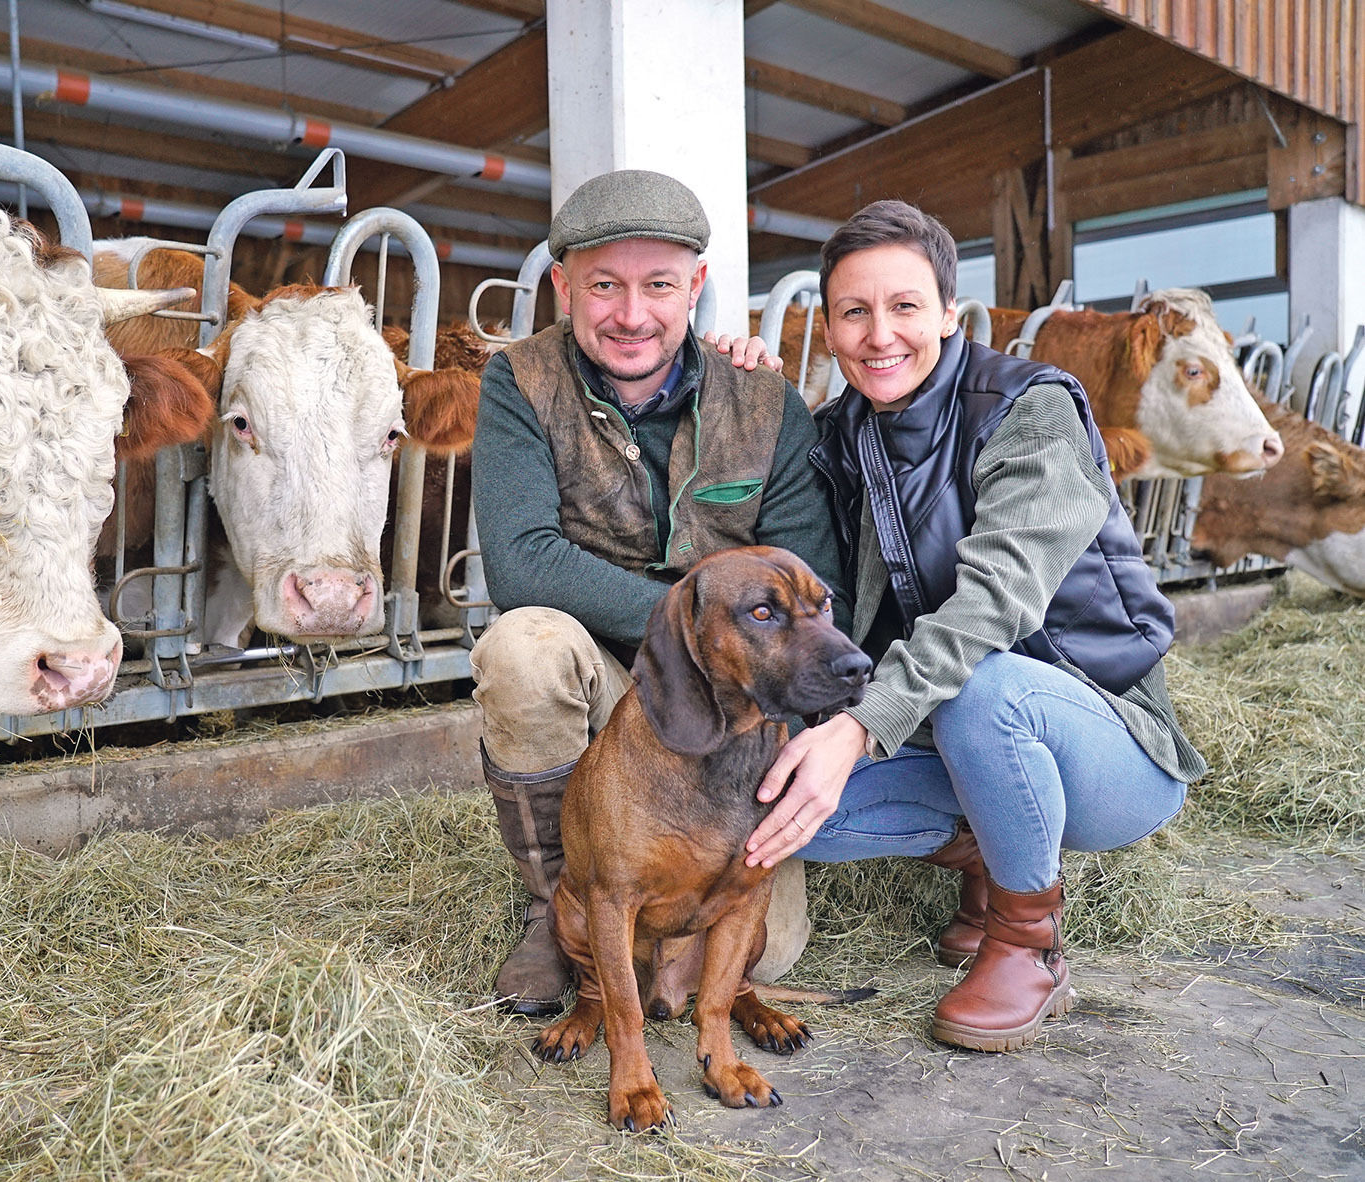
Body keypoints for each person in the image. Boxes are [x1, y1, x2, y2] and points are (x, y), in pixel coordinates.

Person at [735, 199, 1206, 1052]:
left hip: (1107, 747)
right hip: (954, 741)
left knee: (982, 689)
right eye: (853, 311)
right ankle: (989, 847)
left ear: (949, 313)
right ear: (829, 326)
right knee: (765, 804)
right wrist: (745, 396)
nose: (880, 334)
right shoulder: (841, 437)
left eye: (905, 306)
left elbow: (996, 605)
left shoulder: (1027, 409)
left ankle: (1031, 945)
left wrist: (860, 729)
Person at [469, 169, 847, 1017]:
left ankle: (677, 880)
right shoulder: (519, 382)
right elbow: (523, 561)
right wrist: (689, 633)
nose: (631, 314)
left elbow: (813, 579)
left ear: (697, 289)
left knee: (771, 947)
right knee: (522, 648)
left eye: (658, 286)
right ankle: (554, 899)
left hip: (730, 693)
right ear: (563, 287)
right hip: (606, 668)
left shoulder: (763, 398)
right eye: (602, 285)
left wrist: (732, 662)